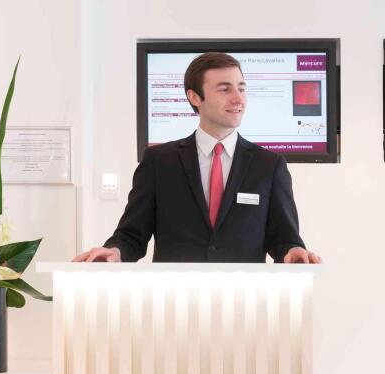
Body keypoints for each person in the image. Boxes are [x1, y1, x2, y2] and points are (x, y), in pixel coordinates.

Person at [74, 51, 321, 264]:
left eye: (241, 88)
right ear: (194, 97)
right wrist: (115, 251)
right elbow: (132, 235)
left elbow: (283, 239)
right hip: (175, 297)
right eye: (225, 89)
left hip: (243, 298)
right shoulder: (159, 162)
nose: (238, 99)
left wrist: (292, 251)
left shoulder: (269, 165)